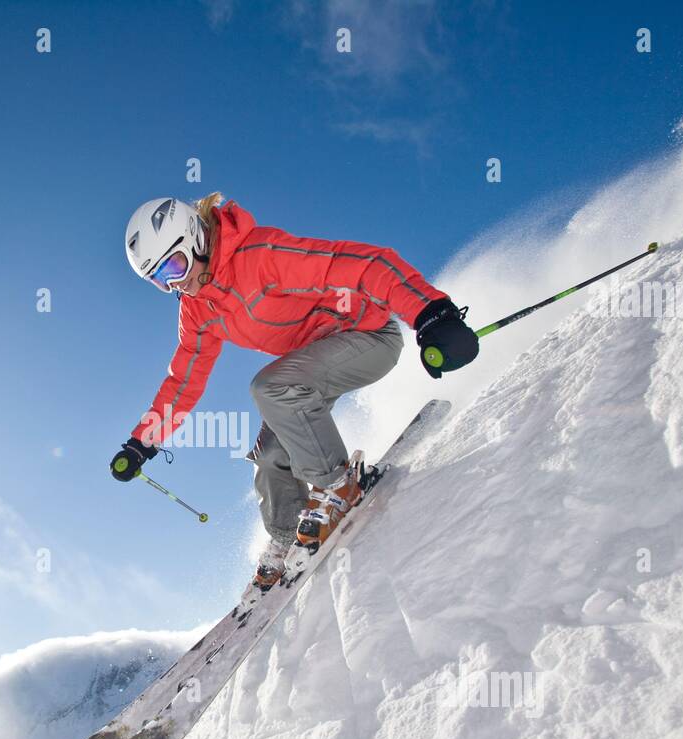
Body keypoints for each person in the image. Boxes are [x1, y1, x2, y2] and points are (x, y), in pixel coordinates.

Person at [109, 193, 477, 598]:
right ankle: (287, 534)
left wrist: (430, 311)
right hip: (311, 364)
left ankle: (338, 486)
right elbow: (183, 381)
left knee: (270, 388)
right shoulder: (198, 309)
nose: (176, 283)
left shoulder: (259, 255)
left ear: (196, 237)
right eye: (161, 281)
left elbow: (362, 265)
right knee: (269, 457)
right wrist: (142, 442)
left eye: (175, 266)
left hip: (369, 335)